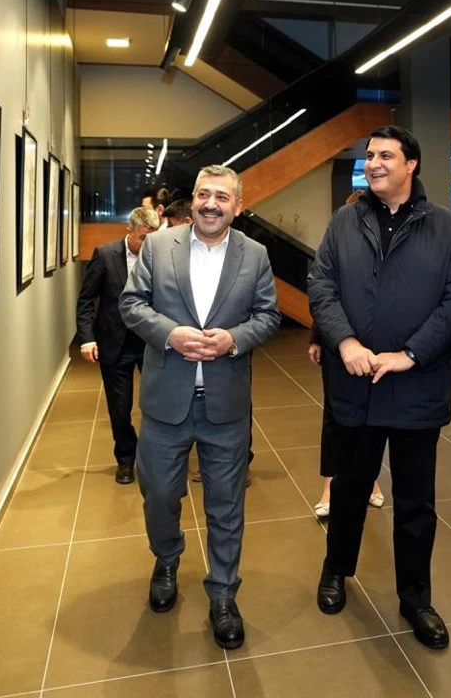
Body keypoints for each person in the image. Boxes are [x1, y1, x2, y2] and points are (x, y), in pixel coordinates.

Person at [309, 125, 451, 650]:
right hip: (355, 383)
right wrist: (345, 342)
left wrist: (411, 354)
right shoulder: (345, 220)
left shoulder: (445, 225)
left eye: (384, 155)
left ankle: (416, 597)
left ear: (411, 164)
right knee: (349, 489)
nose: (373, 163)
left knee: (416, 502)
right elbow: (321, 284)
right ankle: (337, 570)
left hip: (417, 386)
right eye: (369, 155)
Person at [119, 165, 281, 650]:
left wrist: (233, 339)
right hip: (165, 402)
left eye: (222, 197)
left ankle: (224, 595)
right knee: (160, 495)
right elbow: (132, 304)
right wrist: (170, 334)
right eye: (204, 195)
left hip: (225, 405)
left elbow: (268, 315)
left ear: (238, 206)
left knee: (226, 505)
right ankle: (167, 558)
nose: (211, 204)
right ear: (191, 200)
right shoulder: (157, 246)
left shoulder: (255, 255)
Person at [311, 187, 385, 518]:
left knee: (375, 418)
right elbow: (323, 292)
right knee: (335, 417)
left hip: (379, 348)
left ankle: (371, 480)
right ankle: (330, 484)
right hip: (337, 344)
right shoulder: (337, 239)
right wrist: (318, 338)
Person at [77, 206, 159, 484]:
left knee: (157, 405)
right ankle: (125, 459)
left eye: (153, 237)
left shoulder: (161, 257)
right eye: (143, 237)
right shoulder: (105, 255)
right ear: (130, 230)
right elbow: (86, 300)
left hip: (150, 342)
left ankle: (156, 458)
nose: (148, 243)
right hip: (115, 343)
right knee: (120, 409)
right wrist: (87, 338)